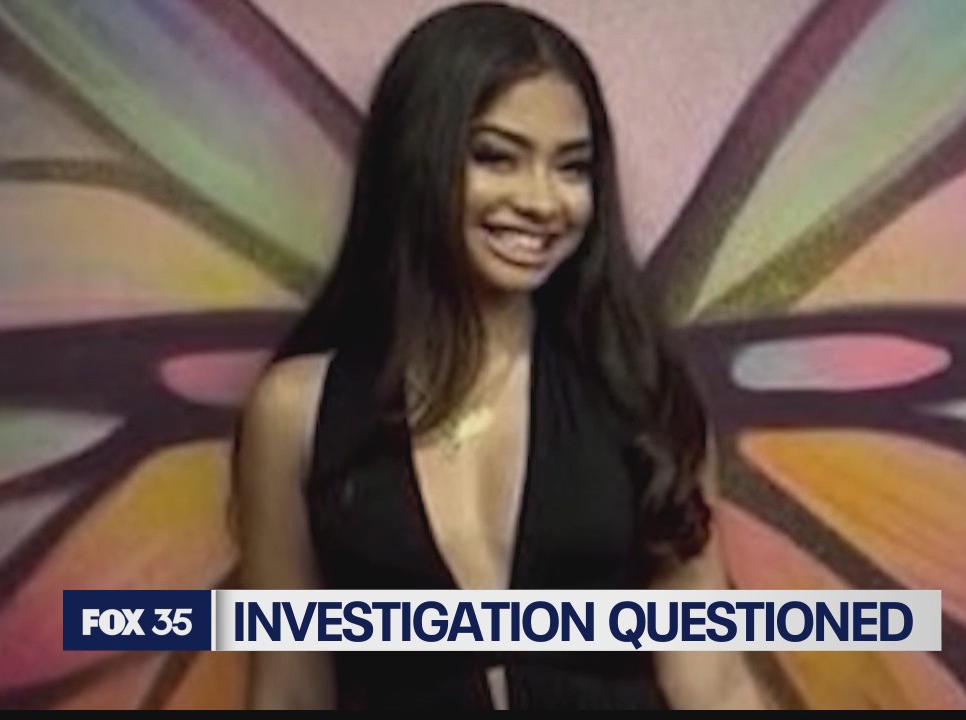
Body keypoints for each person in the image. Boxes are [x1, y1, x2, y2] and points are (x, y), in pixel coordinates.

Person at [233, 1, 767, 710]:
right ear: (415, 158)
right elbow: (289, 690)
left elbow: (711, 676)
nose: (543, 201)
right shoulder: (296, 410)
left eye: (572, 168)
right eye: (495, 157)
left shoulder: (640, 389)